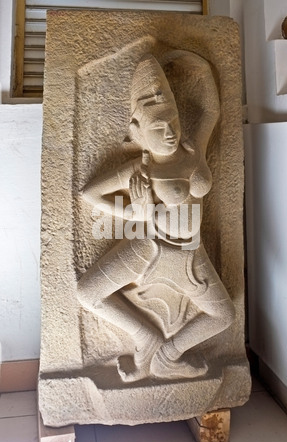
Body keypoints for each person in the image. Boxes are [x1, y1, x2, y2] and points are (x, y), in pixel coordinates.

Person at [77, 53, 235, 382]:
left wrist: (198, 63)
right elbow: (89, 193)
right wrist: (134, 211)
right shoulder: (142, 169)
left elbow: (210, 110)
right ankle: (144, 338)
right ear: (138, 131)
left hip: (193, 255)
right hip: (150, 248)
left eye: (173, 121)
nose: (169, 132)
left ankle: (168, 354)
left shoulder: (193, 150)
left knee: (224, 315)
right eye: (157, 127)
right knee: (88, 293)